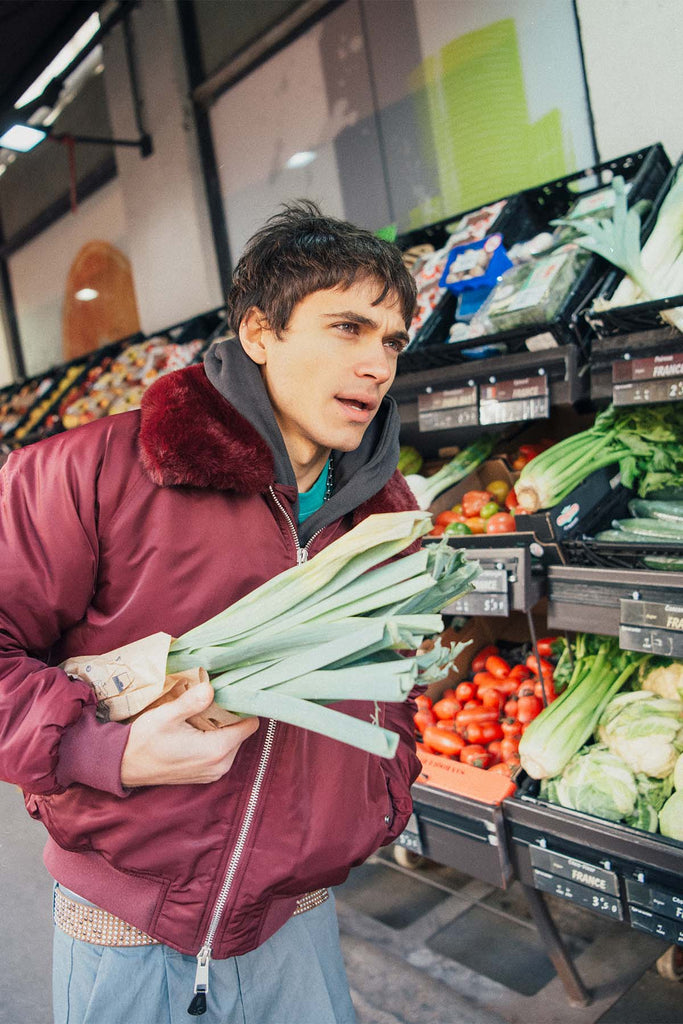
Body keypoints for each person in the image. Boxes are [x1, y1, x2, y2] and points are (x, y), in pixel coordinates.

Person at [0, 200, 421, 1024]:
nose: (377, 364)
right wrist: (102, 749)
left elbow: (394, 683)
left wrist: (382, 792)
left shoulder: (385, 521)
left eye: (392, 340)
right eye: (347, 328)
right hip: (126, 921)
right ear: (260, 333)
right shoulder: (91, 471)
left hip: (298, 919)